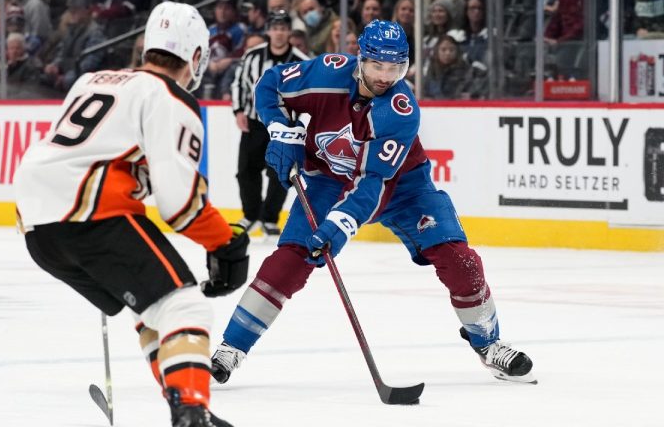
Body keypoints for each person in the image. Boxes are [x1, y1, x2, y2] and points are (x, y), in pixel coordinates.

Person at [210, 20, 536, 387]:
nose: (386, 76)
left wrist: (340, 225)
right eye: (378, 65)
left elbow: (372, 183)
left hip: (403, 187)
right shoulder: (327, 72)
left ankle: (488, 343)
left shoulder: (400, 109)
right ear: (360, 59)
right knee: (288, 261)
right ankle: (231, 347)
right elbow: (270, 84)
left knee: (459, 259)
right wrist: (282, 130)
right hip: (328, 181)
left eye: (396, 67)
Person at [14, 2, 249, 427]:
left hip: (36, 223)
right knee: (186, 309)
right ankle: (191, 414)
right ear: (196, 57)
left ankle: (186, 404)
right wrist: (226, 243)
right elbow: (179, 205)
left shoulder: (93, 80)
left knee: (154, 310)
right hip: (88, 213)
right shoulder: (170, 97)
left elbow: (110, 158)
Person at [231, 9, 309, 237]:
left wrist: (299, 120)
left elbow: (309, 93)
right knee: (246, 171)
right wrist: (238, 110)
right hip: (254, 123)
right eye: (275, 28)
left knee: (280, 173)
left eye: (283, 28)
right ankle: (251, 214)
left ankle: (269, 218)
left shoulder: (301, 62)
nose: (279, 33)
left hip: (284, 127)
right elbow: (238, 83)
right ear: (268, 31)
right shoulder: (252, 56)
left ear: (289, 32)